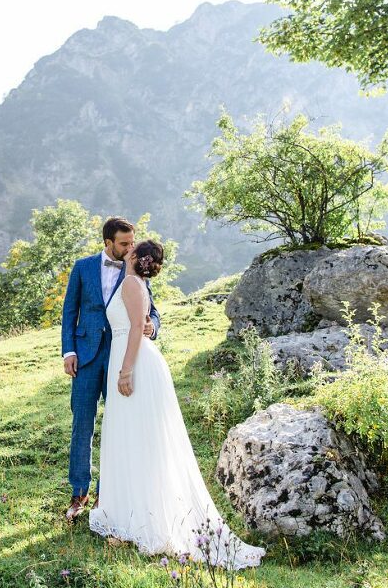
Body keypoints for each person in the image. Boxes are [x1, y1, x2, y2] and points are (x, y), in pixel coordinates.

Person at [87, 239, 264, 569]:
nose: (128, 248)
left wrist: (125, 371)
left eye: (133, 247)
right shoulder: (135, 283)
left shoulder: (130, 283)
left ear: (138, 258)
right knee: (132, 439)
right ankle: (131, 512)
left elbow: (139, 328)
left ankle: (148, 518)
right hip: (131, 358)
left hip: (135, 363)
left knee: (142, 440)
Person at [61, 217, 160, 522]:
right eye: (124, 243)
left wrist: (151, 328)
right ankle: (79, 493)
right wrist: (69, 350)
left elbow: (152, 312)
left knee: (117, 425)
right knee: (82, 424)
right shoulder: (82, 267)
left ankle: (107, 494)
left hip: (120, 358)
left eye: (132, 242)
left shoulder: (136, 271)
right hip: (87, 356)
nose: (132, 248)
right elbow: (69, 311)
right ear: (108, 243)